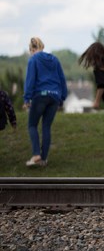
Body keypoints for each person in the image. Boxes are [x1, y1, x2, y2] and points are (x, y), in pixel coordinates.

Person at [23, 37, 68, 167]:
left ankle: (36, 154)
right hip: (54, 97)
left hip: (40, 96)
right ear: (42, 46)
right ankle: (43, 159)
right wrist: (62, 97)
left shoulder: (33, 59)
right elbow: (62, 79)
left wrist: (27, 98)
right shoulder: (54, 59)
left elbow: (30, 80)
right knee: (46, 126)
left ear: (32, 49)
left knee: (32, 125)